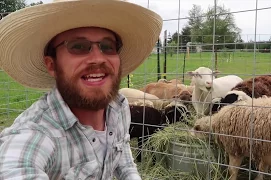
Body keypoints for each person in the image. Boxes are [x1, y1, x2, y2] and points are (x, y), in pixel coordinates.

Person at [0, 0, 162, 179]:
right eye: (78, 46)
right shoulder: (36, 133)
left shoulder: (119, 108)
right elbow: (16, 167)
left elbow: (122, 154)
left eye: (108, 46)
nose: (98, 58)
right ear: (52, 65)